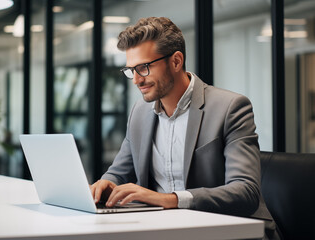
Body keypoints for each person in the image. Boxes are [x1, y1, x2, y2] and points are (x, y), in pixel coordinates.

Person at [90, 17, 280, 239]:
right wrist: (105, 183)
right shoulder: (140, 112)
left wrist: (169, 199)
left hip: (228, 231)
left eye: (143, 68)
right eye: (131, 70)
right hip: (164, 229)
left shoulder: (230, 108)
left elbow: (245, 192)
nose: (136, 80)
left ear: (176, 61)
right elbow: (119, 172)